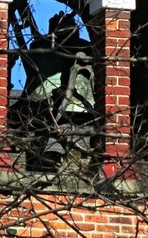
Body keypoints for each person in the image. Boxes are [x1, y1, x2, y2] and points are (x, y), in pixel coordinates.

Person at [19, 11, 95, 168]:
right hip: (70, 105)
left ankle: (38, 159)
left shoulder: (39, 45)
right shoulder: (86, 48)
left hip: (44, 105)